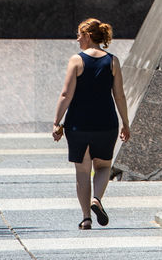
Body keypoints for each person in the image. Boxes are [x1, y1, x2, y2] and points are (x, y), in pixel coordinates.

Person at [52, 18, 130, 230]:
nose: (77, 39)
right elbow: (120, 96)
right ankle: (97, 199)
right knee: (103, 166)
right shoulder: (112, 61)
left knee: (82, 171)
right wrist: (125, 122)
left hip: (78, 124)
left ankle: (86, 218)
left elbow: (66, 94)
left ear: (88, 35)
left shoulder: (76, 61)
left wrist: (56, 122)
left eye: (79, 34)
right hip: (106, 123)